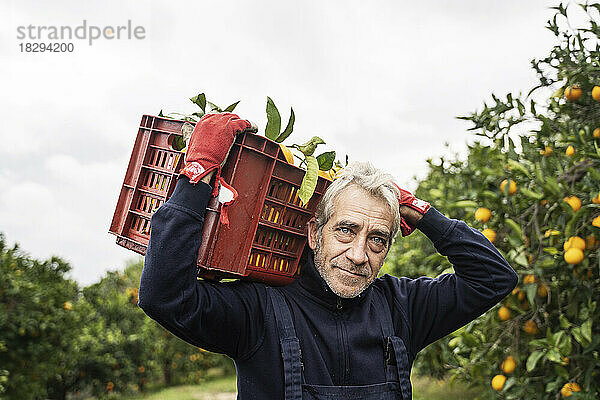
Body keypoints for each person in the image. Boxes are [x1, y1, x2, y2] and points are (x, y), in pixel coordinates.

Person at [138, 113, 518, 400]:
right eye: (346, 230)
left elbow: (493, 278)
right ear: (315, 233)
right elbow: (166, 297)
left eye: (377, 239)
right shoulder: (259, 310)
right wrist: (197, 177)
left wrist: (424, 214)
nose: (358, 255)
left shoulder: (403, 308)